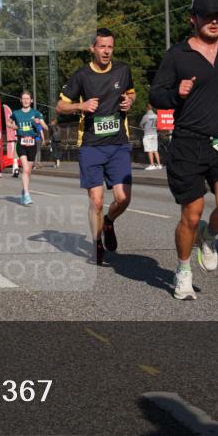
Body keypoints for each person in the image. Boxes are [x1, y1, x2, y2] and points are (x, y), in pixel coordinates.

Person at [149, 0, 218, 301]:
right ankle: (183, 270)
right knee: (190, 216)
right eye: (206, 16)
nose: (214, 20)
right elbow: (156, 96)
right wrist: (176, 94)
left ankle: (209, 235)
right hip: (189, 143)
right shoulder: (177, 55)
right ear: (193, 19)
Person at [55, 28, 135, 265]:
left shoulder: (123, 70)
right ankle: (97, 242)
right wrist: (81, 106)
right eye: (102, 46)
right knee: (96, 201)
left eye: (110, 46)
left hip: (118, 143)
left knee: (123, 198)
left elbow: (132, 94)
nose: (107, 51)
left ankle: (108, 221)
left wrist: (129, 101)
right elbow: (60, 106)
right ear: (93, 48)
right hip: (91, 145)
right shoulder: (81, 76)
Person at [9, 91, 49, 205]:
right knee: (25, 169)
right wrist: (12, 125)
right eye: (24, 98)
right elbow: (8, 122)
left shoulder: (36, 113)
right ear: (20, 100)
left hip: (32, 144)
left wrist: (40, 123)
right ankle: (27, 194)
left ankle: (24, 190)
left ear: (31, 100)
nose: (26, 100)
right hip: (21, 143)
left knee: (28, 171)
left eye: (28, 99)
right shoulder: (16, 113)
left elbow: (46, 127)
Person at [140, 105, 162, 170]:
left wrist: (144, 128)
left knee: (149, 150)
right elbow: (158, 125)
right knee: (155, 150)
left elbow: (141, 124)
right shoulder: (156, 116)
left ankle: (152, 165)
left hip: (147, 135)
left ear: (147, 108)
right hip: (154, 134)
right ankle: (159, 165)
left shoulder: (145, 116)